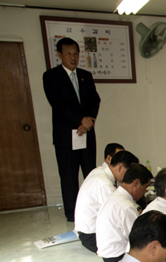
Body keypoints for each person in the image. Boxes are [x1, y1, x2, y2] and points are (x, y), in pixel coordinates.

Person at [43, 37, 101, 222]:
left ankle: (94, 209)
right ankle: (73, 213)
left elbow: (95, 100)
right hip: (66, 137)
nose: (73, 57)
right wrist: (80, 120)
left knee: (91, 173)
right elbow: (57, 105)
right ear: (60, 55)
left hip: (86, 134)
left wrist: (89, 121)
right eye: (68, 53)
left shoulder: (85, 75)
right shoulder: (51, 76)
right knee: (68, 176)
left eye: (76, 53)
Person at [74, 150, 139, 253]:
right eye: (130, 172)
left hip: (86, 233)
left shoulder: (99, 171)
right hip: (92, 237)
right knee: (138, 243)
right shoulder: (105, 184)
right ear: (121, 167)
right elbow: (120, 209)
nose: (131, 177)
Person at [96, 164, 153, 262]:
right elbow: (138, 241)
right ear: (136, 183)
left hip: (108, 254)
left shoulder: (115, 196)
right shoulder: (126, 207)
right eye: (145, 187)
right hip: (117, 258)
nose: (145, 192)